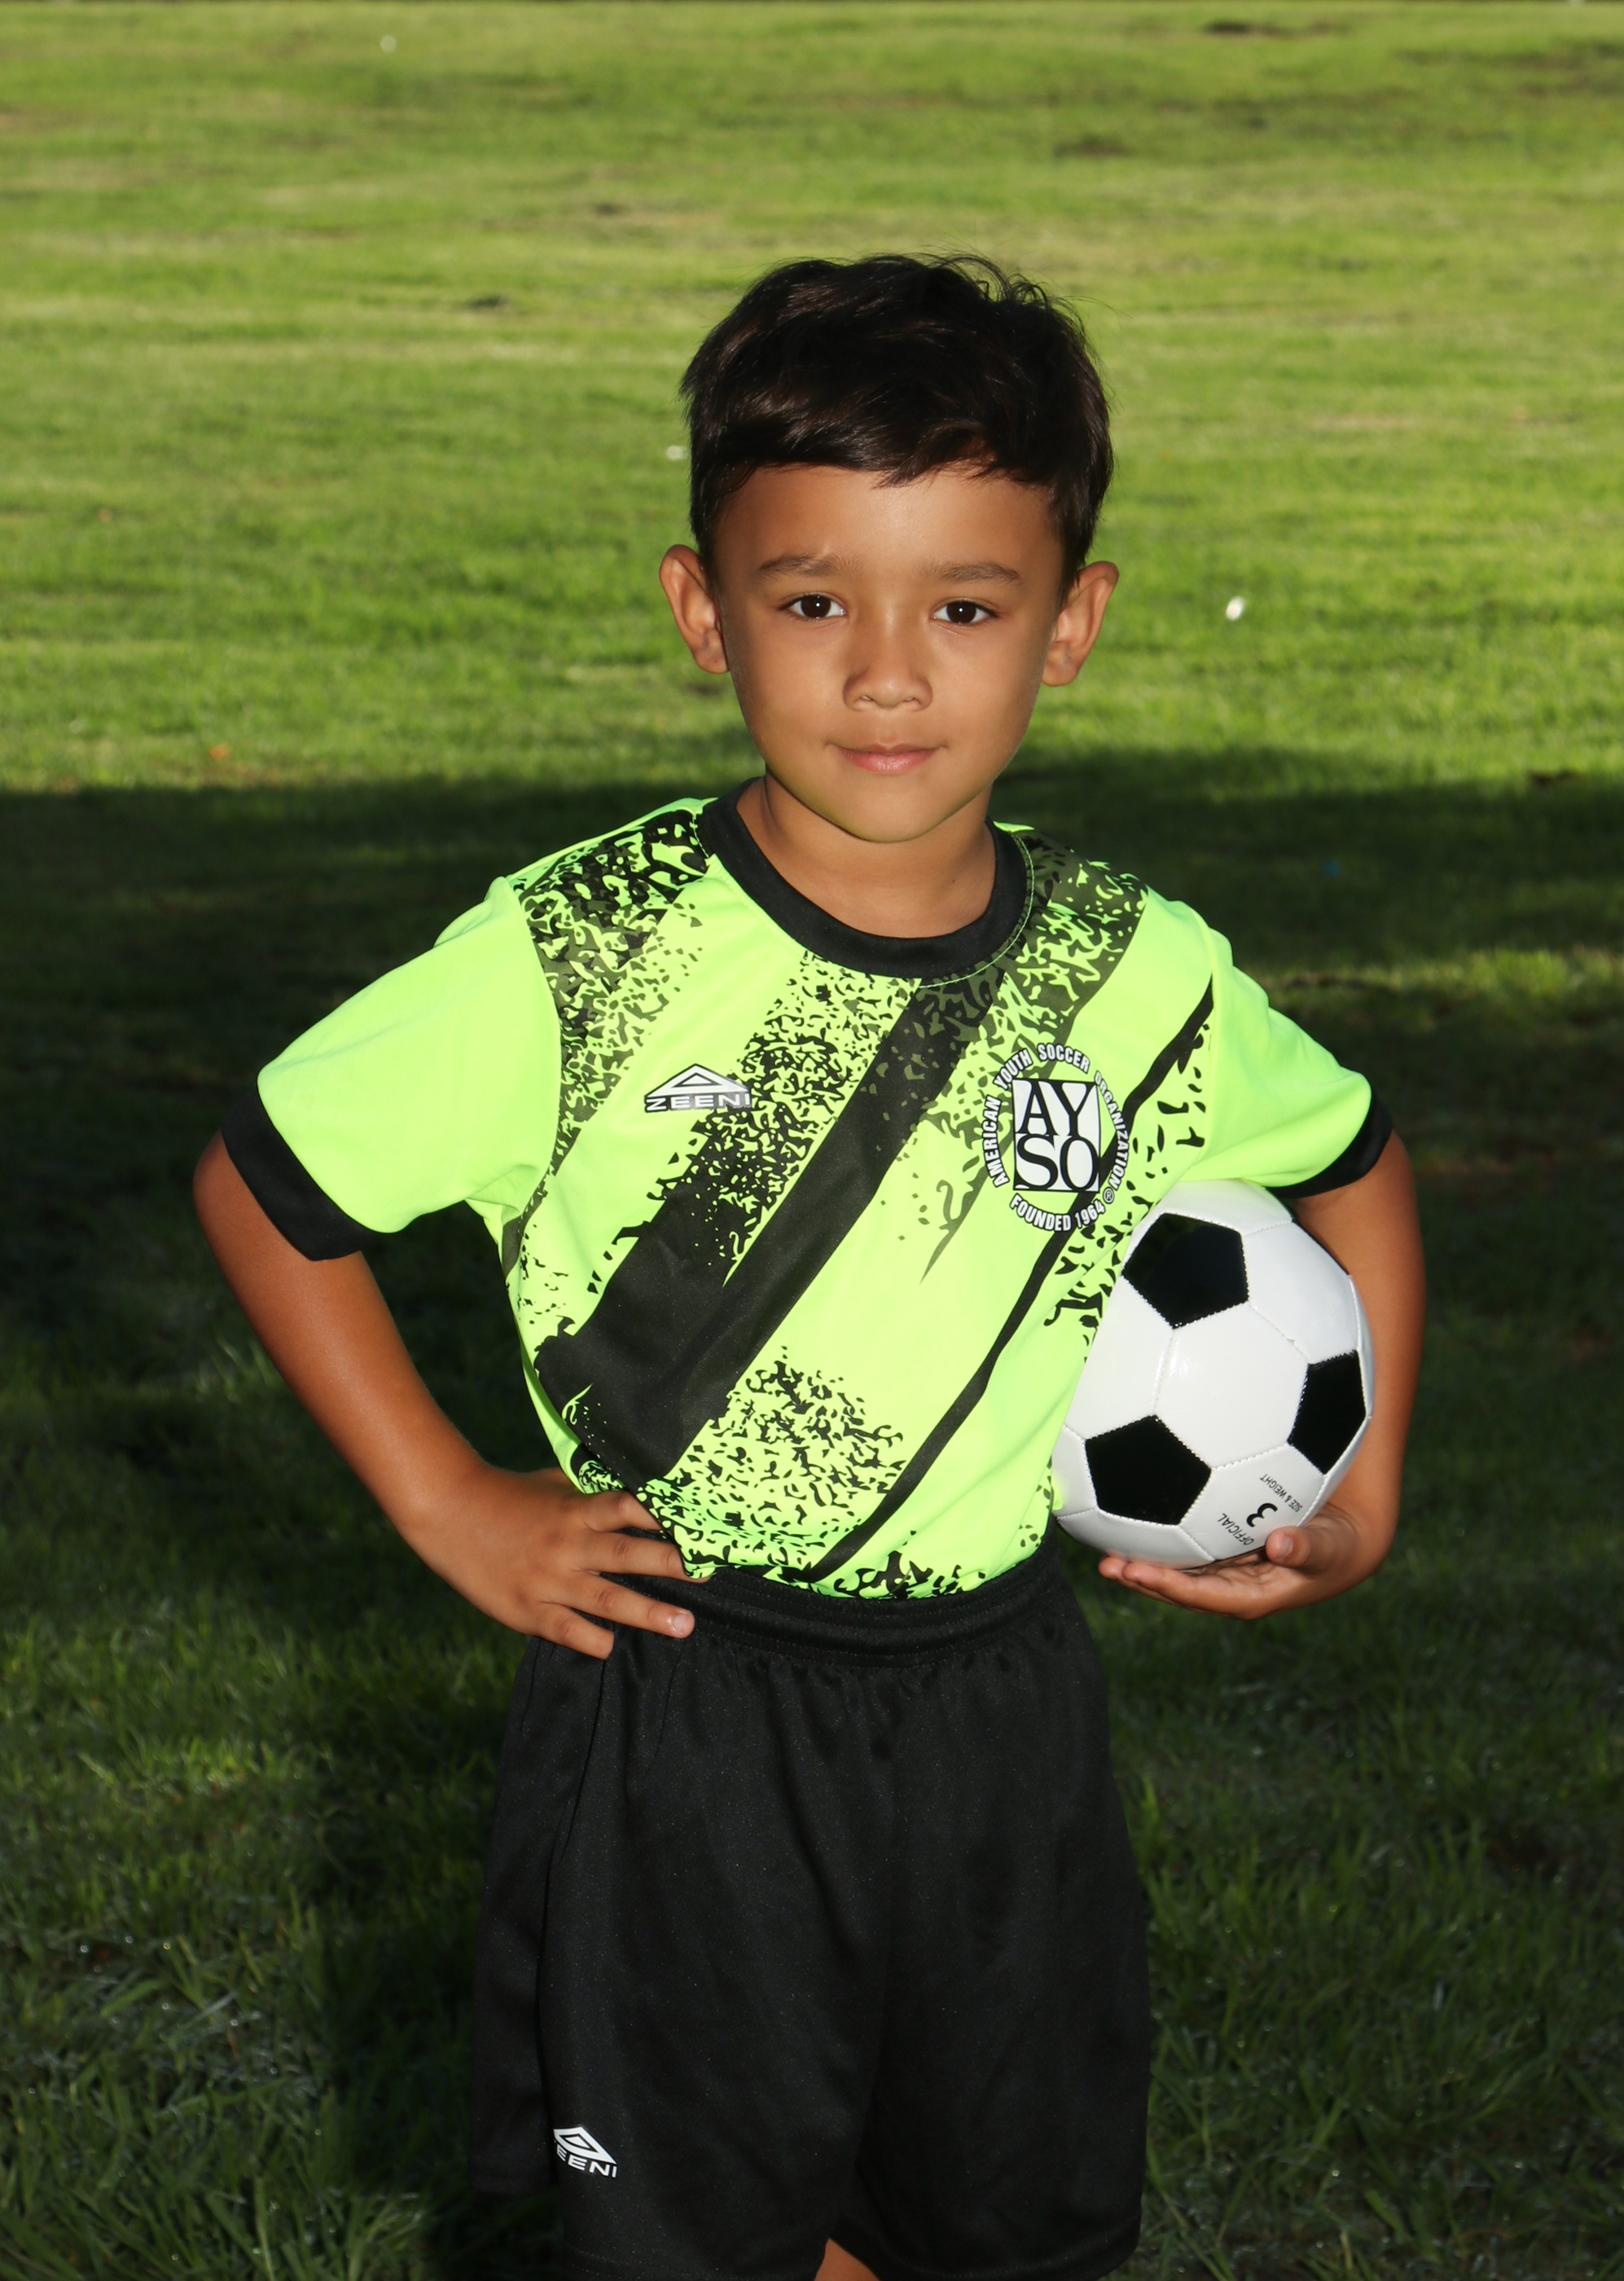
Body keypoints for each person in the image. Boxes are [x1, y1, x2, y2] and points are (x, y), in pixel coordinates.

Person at [195, 256, 1425, 2281]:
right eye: (813, 601)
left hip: (1006, 1701)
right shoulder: (584, 949)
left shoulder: (1137, 974)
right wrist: (446, 1497)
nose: (887, 676)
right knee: (704, 2232)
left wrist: (1362, 1486)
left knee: (986, 2219)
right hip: (688, 1700)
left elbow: (1356, 1162)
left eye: (965, 607)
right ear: (703, 610)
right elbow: (269, 1183)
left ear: (1072, 622)